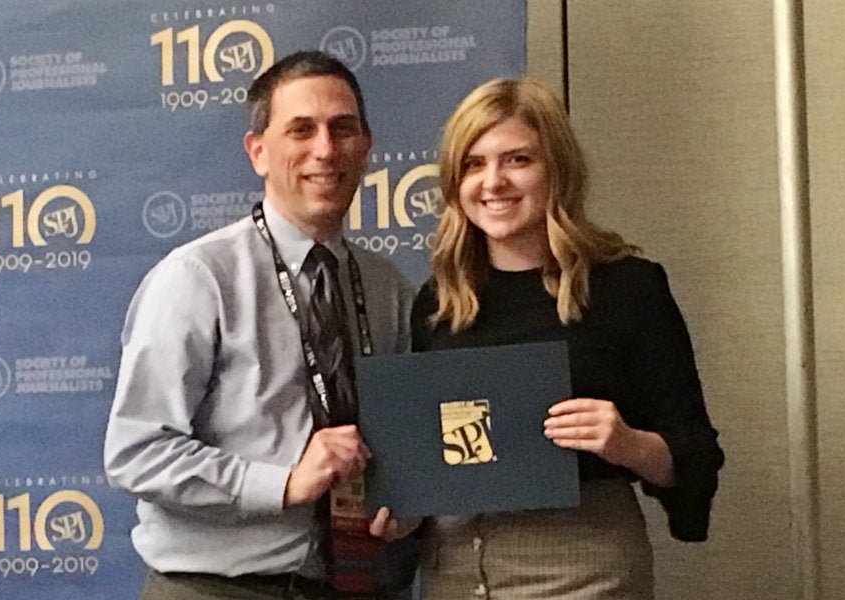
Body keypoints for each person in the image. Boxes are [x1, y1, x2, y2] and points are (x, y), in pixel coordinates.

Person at [104, 50, 418, 600]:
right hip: (217, 588)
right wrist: (283, 483)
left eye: (343, 129)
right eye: (302, 130)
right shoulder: (198, 278)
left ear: (365, 146)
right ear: (258, 152)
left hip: (359, 585)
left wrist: (410, 502)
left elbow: (405, 437)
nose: (325, 149)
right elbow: (137, 452)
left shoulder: (389, 288)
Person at [410, 77, 724, 599]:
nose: (494, 182)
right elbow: (426, 456)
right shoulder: (438, 303)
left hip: (584, 573)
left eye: (517, 160)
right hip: (459, 572)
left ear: (556, 168)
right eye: (474, 163)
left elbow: (695, 455)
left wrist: (628, 443)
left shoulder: (627, 289)